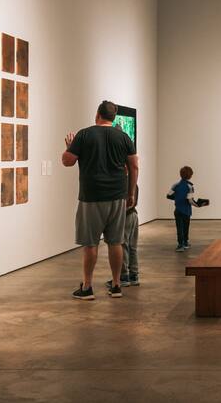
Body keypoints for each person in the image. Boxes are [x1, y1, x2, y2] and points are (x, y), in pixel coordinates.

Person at [62, 101, 138, 301]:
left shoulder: (84, 134)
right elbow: (134, 166)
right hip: (117, 196)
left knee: (90, 243)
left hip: (91, 197)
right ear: (113, 118)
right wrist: (130, 193)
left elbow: (67, 161)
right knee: (116, 242)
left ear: (97, 114)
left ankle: (87, 287)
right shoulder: (123, 137)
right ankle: (116, 285)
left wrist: (70, 147)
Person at [167, 166, 205, 252]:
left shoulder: (175, 185)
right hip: (186, 210)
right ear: (190, 176)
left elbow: (168, 196)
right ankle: (185, 243)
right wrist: (198, 205)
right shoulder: (190, 186)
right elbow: (190, 200)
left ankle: (180, 245)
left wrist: (177, 198)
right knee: (186, 227)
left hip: (177, 210)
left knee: (179, 228)